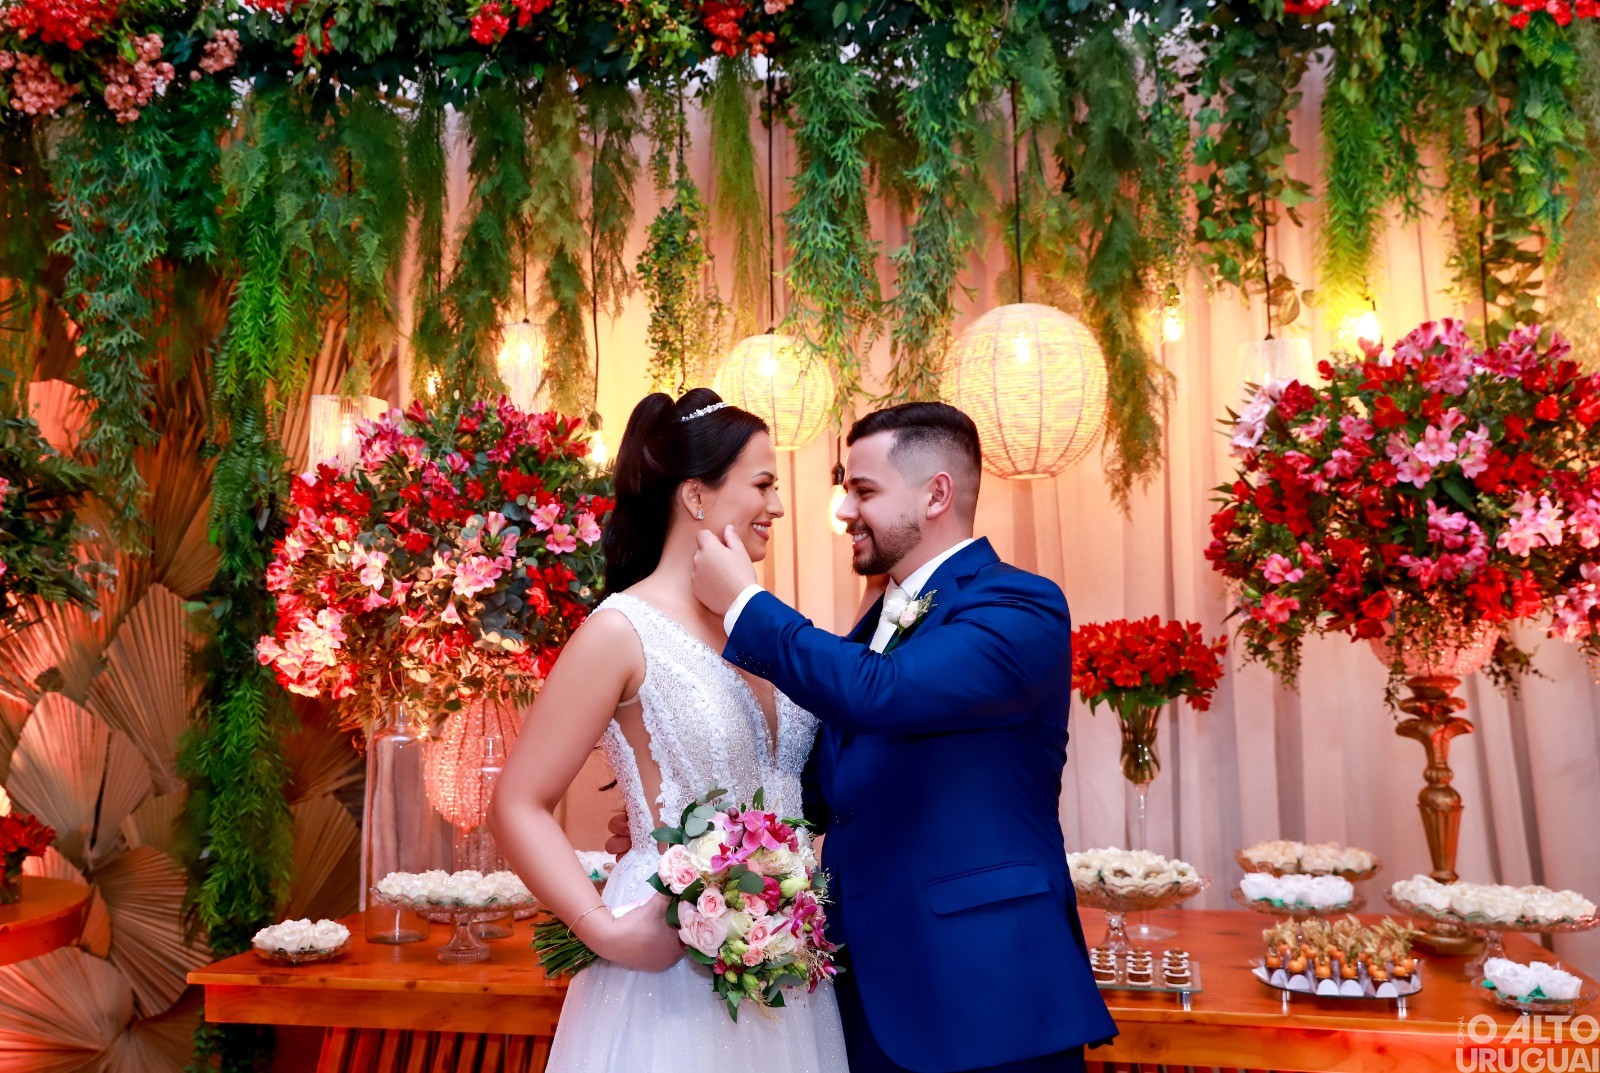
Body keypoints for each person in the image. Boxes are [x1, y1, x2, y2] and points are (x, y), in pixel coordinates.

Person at [690, 401, 1117, 1073]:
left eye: (864, 491)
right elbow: (824, 790)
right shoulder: (873, 627)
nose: (846, 512)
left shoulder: (1018, 605)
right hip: (872, 992)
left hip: (988, 995)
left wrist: (745, 601)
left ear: (936, 494)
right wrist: (699, 829)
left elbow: (881, 695)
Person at [490, 388, 849, 1073]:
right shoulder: (621, 631)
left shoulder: (766, 626)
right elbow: (516, 801)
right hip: (666, 962)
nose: (777, 506)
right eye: (764, 484)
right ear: (696, 497)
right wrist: (604, 930)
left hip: (785, 965)